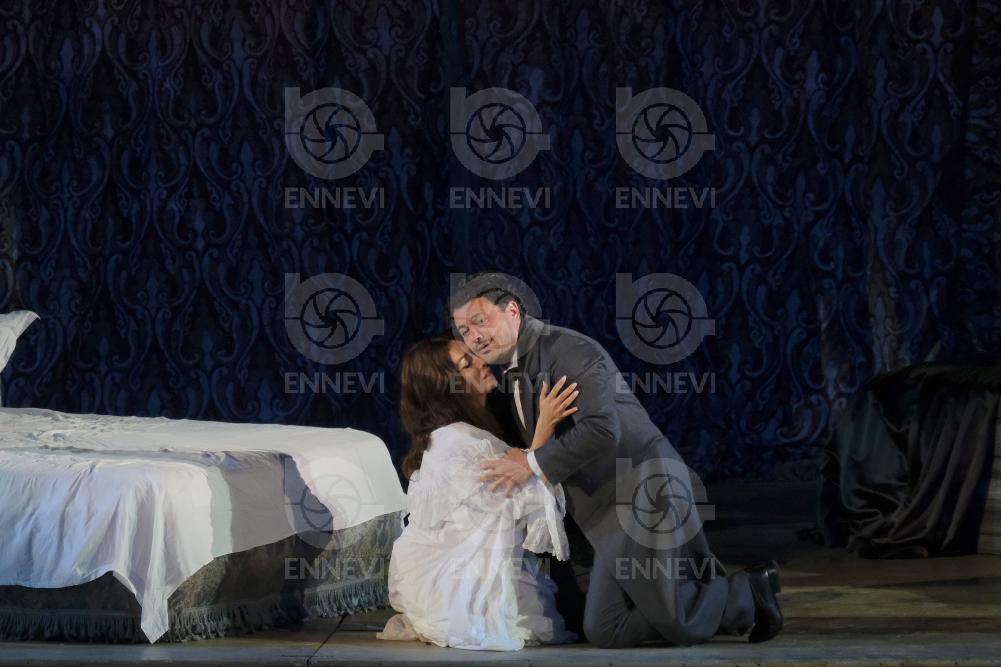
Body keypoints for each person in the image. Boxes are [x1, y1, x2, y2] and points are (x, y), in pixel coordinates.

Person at [450, 272, 783, 648]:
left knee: (638, 624)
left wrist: (530, 463)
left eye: (480, 321)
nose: (474, 337)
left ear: (512, 311)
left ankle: (747, 592)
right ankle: (731, 598)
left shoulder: (565, 349)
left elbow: (602, 429)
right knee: (596, 621)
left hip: (639, 487)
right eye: (464, 330)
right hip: (601, 510)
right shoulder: (515, 370)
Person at [377, 335, 581, 650]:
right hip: (463, 597)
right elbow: (518, 500)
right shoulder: (459, 442)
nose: (481, 362)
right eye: (467, 363)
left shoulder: (455, 435)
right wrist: (545, 428)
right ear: (447, 387)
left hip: (441, 588)